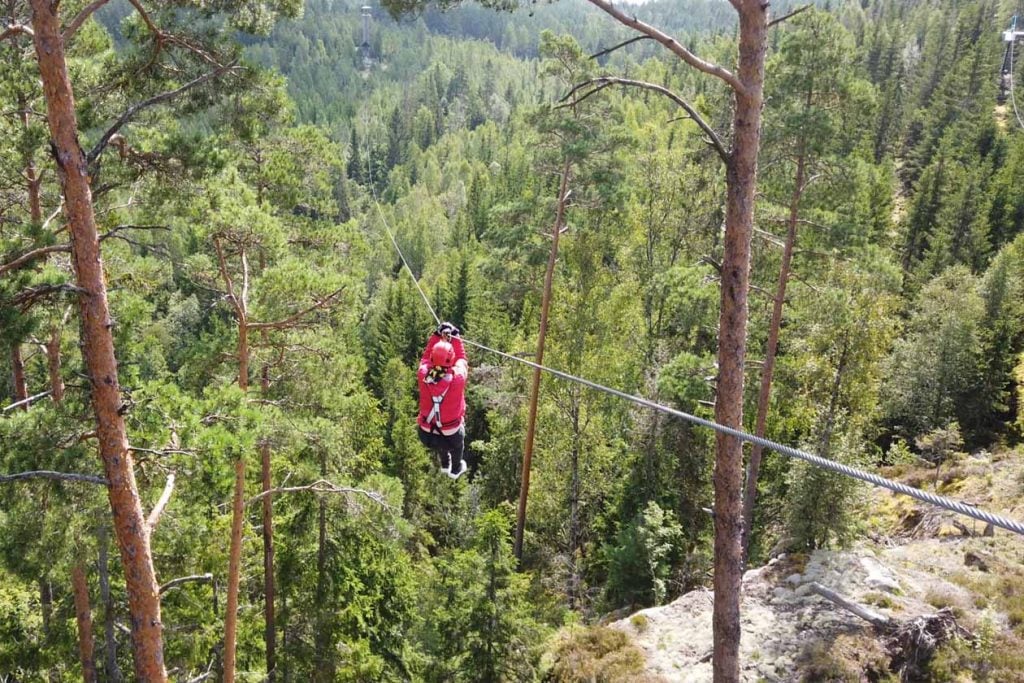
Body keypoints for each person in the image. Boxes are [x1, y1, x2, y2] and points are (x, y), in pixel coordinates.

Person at [417, 321, 469, 479]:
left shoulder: (423, 374)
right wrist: (456, 338)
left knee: (440, 442)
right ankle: (456, 468)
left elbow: (426, 357)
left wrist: (436, 335)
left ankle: (445, 465)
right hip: (450, 432)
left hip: (426, 432)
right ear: (450, 359)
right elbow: (461, 359)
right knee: (457, 445)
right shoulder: (457, 378)